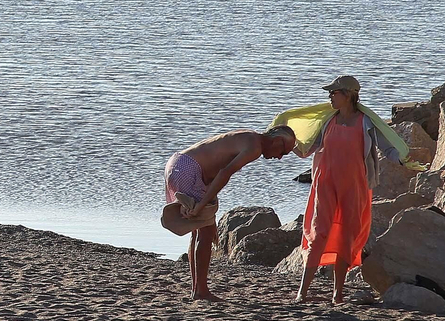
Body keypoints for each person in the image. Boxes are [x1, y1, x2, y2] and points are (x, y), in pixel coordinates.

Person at [273, 76, 417, 305]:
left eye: (333, 93)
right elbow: (307, 149)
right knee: (318, 233)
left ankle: (337, 294)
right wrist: (285, 144)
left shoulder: (366, 122)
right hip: (325, 183)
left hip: (355, 186)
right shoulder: (327, 121)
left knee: (346, 237)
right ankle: (303, 292)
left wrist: (403, 161)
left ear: (348, 94)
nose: (330, 97)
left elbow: (386, 146)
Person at [161, 127, 298, 302]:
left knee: (200, 230)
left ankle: (197, 290)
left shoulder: (250, 136)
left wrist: (207, 204)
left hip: (177, 163)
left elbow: (214, 166)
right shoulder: (255, 147)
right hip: (188, 169)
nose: (279, 157)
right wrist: (202, 204)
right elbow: (225, 172)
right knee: (205, 231)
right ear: (277, 141)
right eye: (283, 152)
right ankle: (200, 292)